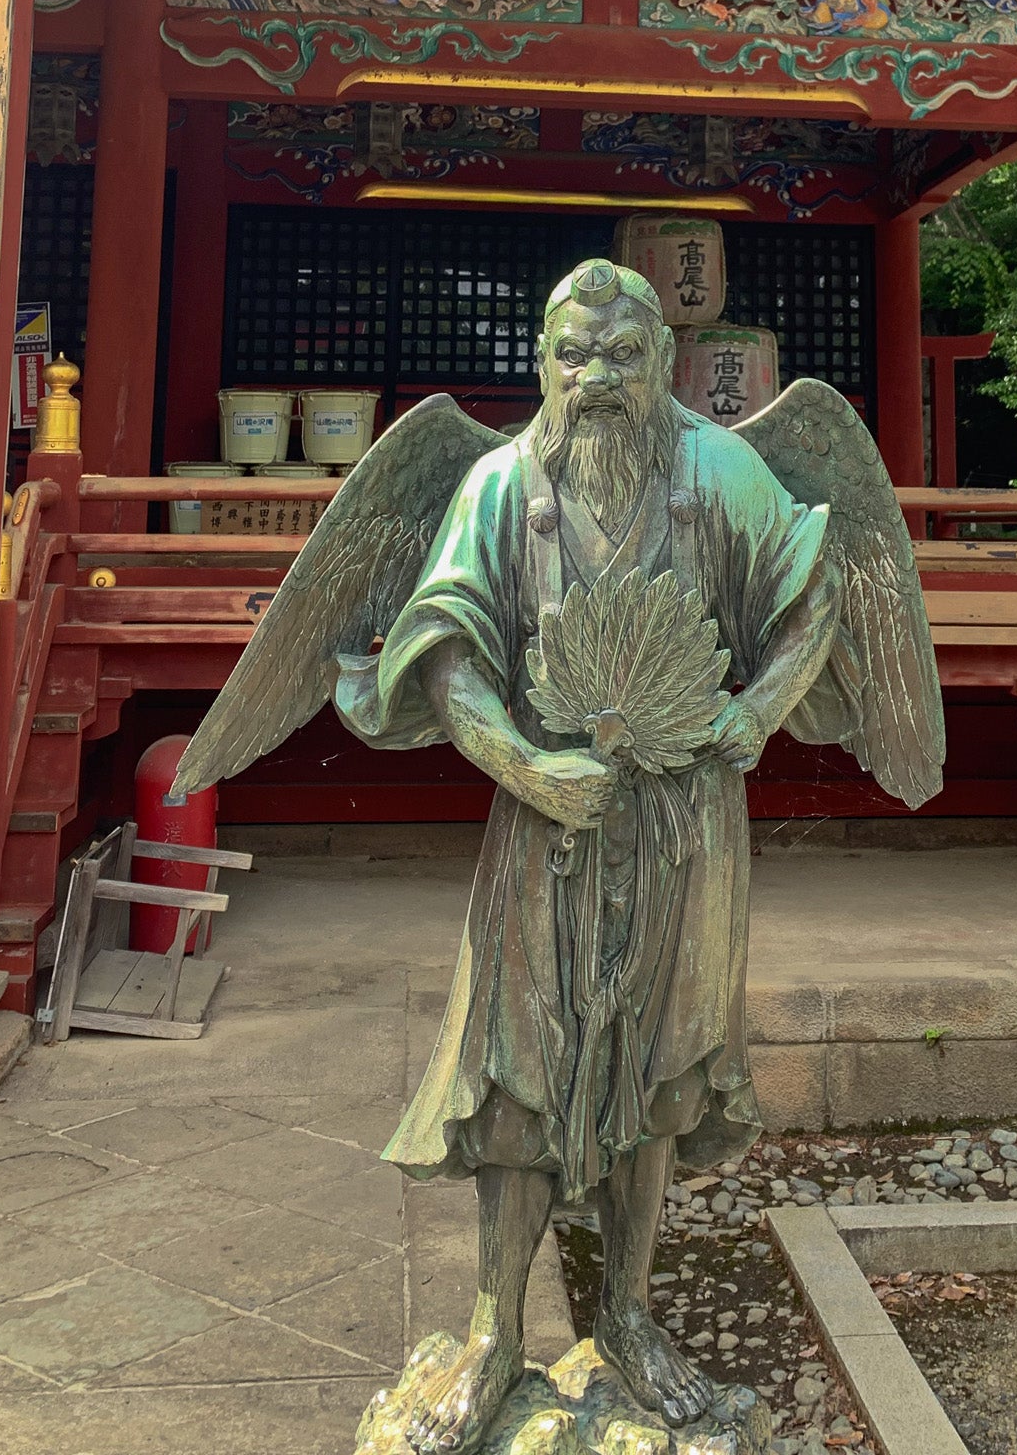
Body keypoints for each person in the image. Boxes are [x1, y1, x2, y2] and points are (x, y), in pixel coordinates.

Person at [338, 260, 841, 1454]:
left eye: (621, 355)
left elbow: (814, 597)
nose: (596, 378)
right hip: (543, 821)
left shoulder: (722, 474)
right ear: (541, 362)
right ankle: (493, 1328)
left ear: (663, 360)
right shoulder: (501, 486)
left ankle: (627, 1310)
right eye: (572, 354)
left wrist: (758, 707)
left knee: (659, 1070)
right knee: (518, 1073)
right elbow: (447, 654)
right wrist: (523, 761)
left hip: (686, 823)